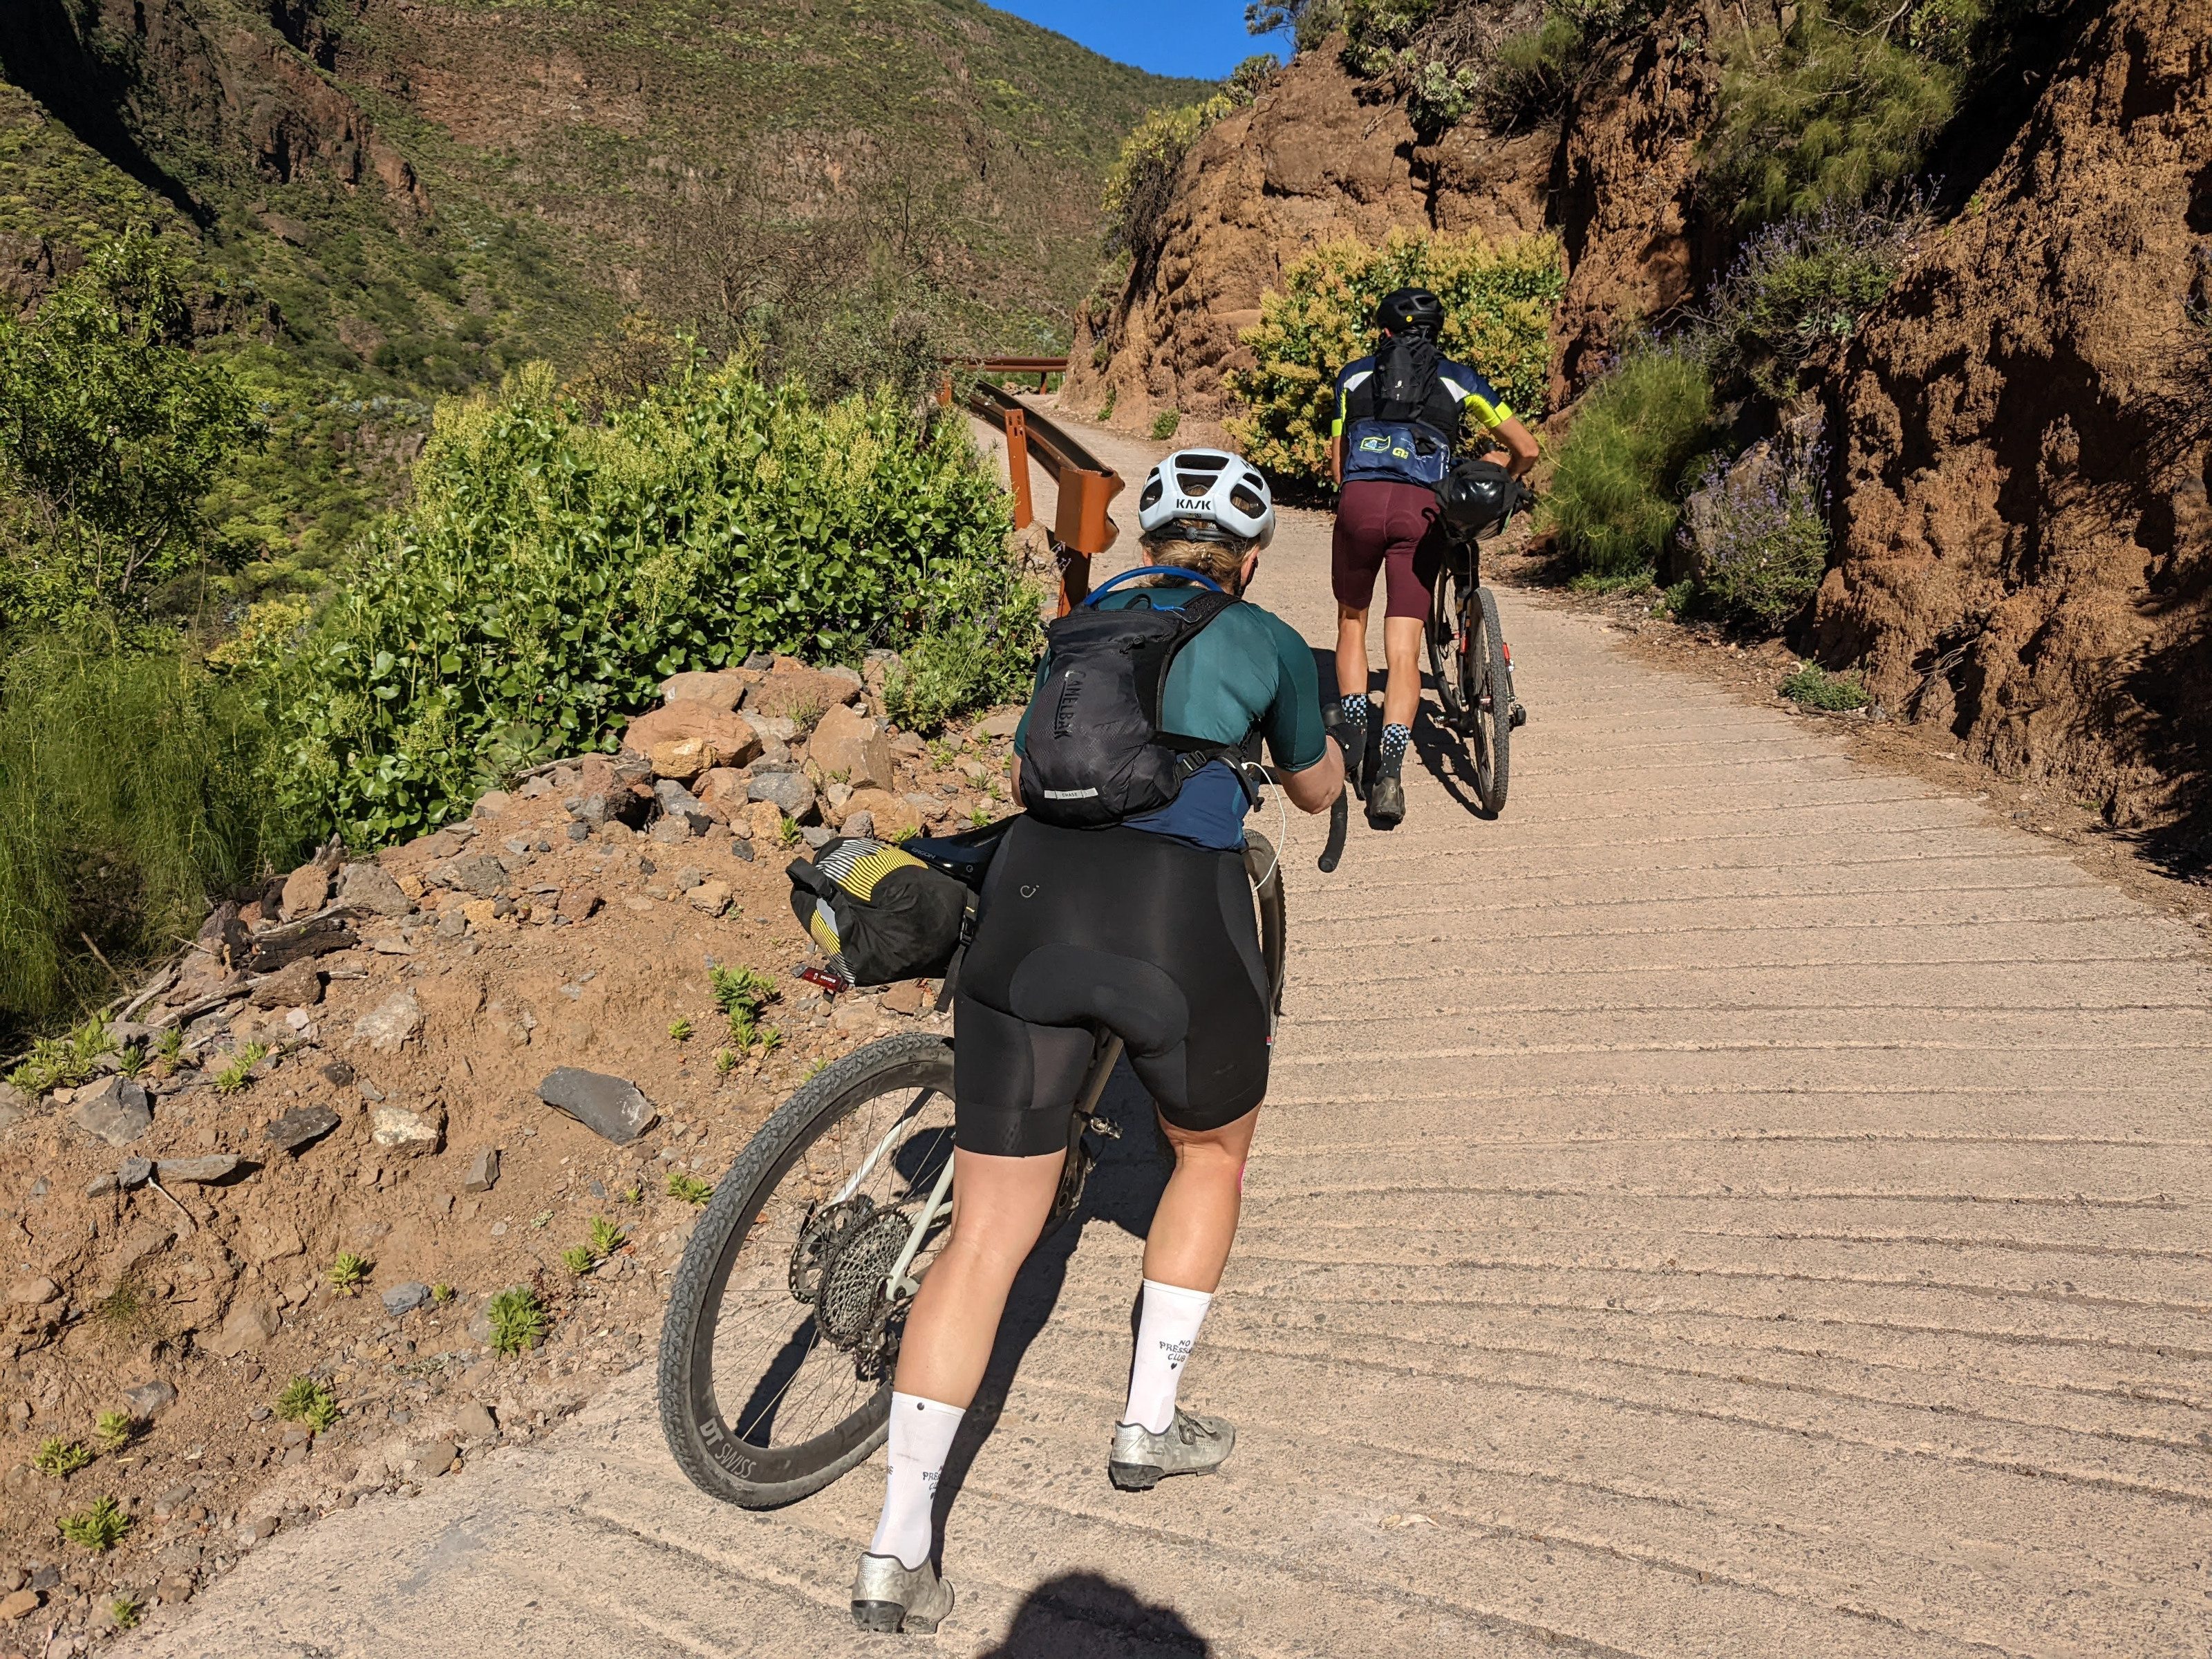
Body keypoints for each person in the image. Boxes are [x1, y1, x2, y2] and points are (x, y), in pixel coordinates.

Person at [851, 449, 1345, 1635]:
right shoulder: (1266, 637)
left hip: (1031, 905)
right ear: (1247, 559)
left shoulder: (1080, 628)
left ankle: (894, 1550)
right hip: (1174, 917)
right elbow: (1318, 790)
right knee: (1209, 1154)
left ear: (1149, 544)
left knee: (984, 1239)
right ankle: (1148, 1425)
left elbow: (1035, 764)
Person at [1329, 286, 1539, 826]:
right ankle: (1390, 775)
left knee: (1352, 622)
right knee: (1403, 651)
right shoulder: (1459, 378)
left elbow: (1338, 464)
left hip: (1359, 503)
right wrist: (1503, 472)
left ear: (1384, 332)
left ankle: (1355, 745)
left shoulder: (1352, 376)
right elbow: (1528, 448)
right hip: (1419, 512)